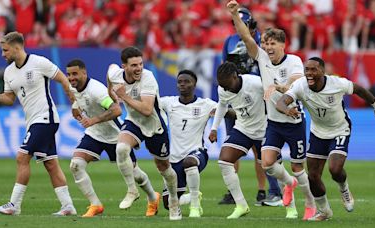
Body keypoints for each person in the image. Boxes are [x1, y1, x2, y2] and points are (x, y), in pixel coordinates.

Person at [227, 0, 316, 220]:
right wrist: (234, 16)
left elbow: (296, 82)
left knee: (298, 167)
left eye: (272, 44)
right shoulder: (262, 58)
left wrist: (278, 87)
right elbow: (247, 37)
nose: (267, 48)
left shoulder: (294, 60)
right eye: (265, 44)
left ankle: (310, 203)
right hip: (274, 122)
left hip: (294, 121)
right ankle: (289, 184)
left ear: (282, 45)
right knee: (266, 163)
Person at [276, 57, 375, 221]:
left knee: (335, 169)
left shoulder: (337, 83)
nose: (309, 74)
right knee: (313, 176)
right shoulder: (300, 85)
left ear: (323, 72)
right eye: (307, 70)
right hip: (318, 133)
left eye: (313, 70)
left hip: (340, 129)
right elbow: (282, 101)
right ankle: (324, 211)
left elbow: (359, 89)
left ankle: (344, 188)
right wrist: (286, 110)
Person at [0, 31, 77, 216]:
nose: (3, 54)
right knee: (50, 163)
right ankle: (68, 206)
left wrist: (73, 99)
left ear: (16, 48)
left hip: (46, 118)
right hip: (33, 121)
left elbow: (61, 78)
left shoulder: (39, 62)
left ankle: (14, 205)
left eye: (5, 50)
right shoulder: (9, 72)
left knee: (22, 157)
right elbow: (10, 98)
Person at [65, 59, 160, 218]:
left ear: (84, 73)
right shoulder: (72, 87)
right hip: (95, 134)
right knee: (76, 165)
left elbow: (116, 110)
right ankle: (95, 204)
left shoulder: (96, 90)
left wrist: (93, 120)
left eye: (75, 74)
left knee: (135, 173)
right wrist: (75, 108)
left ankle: (152, 197)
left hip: (115, 135)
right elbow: (77, 99)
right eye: (69, 74)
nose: (71, 78)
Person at [106, 46, 181, 220]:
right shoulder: (116, 74)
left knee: (164, 167)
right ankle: (132, 190)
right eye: (134, 65)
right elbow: (110, 72)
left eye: (140, 64)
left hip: (155, 125)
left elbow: (147, 110)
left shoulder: (148, 78)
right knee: (121, 149)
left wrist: (123, 97)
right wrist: (111, 93)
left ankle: (174, 203)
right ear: (124, 66)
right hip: (134, 122)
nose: (138, 68)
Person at [220, 6, 282, 206]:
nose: (242, 28)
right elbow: (224, 68)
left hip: (258, 96)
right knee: (233, 144)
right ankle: (233, 191)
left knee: (261, 148)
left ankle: (267, 190)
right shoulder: (228, 42)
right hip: (236, 97)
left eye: (246, 24)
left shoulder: (262, 43)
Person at [160, 70, 231, 218]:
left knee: (190, 162)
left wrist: (217, 126)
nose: (182, 85)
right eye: (180, 82)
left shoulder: (205, 104)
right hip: (174, 158)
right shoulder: (168, 102)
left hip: (197, 152)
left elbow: (224, 110)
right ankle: (194, 196)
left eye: (186, 82)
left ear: (194, 84)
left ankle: (195, 206)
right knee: (168, 204)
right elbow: (148, 105)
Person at [208, 61, 270, 219]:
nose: (225, 89)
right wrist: (214, 128)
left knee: (272, 168)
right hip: (243, 129)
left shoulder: (255, 83)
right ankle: (241, 205)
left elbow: (274, 96)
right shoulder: (223, 88)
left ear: (235, 76)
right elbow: (222, 105)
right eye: (222, 85)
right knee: (224, 161)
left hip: (264, 130)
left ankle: (289, 190)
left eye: (227, 84)